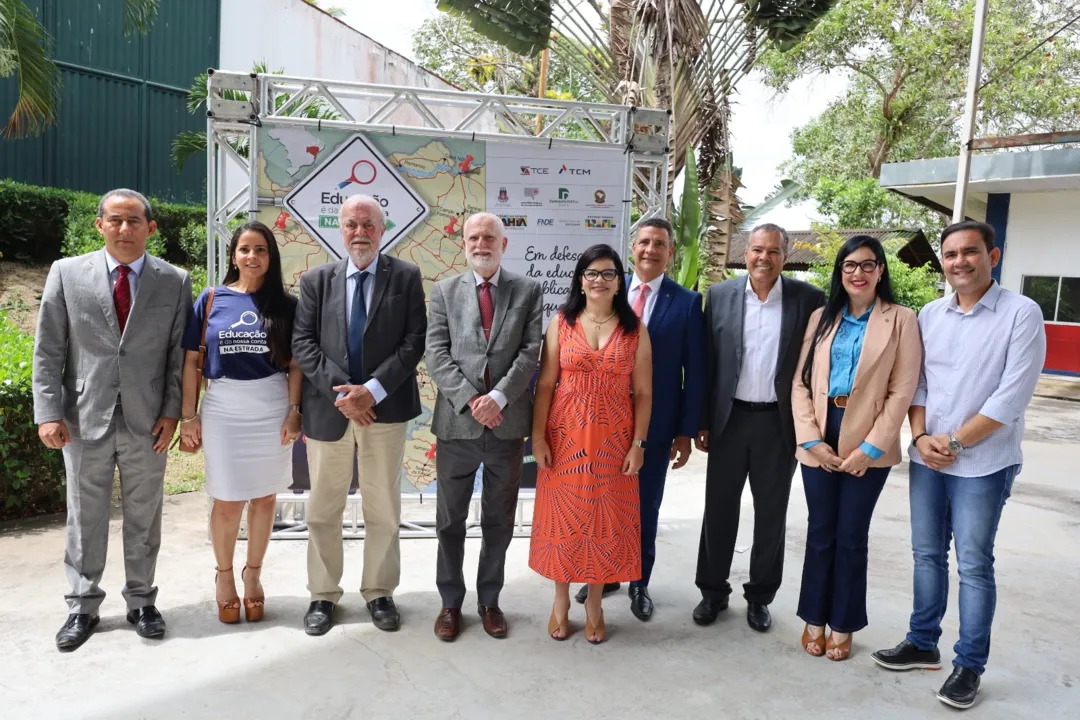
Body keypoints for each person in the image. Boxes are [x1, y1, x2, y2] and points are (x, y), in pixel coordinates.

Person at [871, 221, 1046, 710]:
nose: (960, 262)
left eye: (970, 252)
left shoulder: (1022, 314)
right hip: (928, 457)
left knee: (973, 565)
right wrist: (922, 436)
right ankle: (923, 641)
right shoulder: (931, 313)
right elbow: (918, 382)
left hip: (985, 463)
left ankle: (968, 663)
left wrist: (953, 442)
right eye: (950, 254)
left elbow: (1010, 396)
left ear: (993, 254)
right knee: (926, 554)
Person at [33, 189, 192, 651]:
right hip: (83, 418)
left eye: (135, 221)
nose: (125, 229)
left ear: (151, 228)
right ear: (100, 224)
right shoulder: (67, 273)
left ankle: (142, 601)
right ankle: (83, 607)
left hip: (148, 421)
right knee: (85, 516)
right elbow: (48, 350)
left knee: (145, 515)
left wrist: (171, 412)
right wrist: (47, 413)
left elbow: (177, 355)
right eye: (116, 220)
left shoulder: (175, 280)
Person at [292, 194, 427, 636]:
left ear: (382, 230)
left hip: (384, 412)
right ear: (341, 229)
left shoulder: (405, 277)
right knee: (322, 509)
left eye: (368, 224)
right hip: (330, 412)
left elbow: (413, 341)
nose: (360, 232)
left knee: (383, 507)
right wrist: (346, 396)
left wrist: (370, 392)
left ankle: (379, 591)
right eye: (352, 224)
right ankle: (323, 595)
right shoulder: (316, 280)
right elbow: (304, 345)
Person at [791, 235, 922, 660]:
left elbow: (903, 390)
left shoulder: (902, 319)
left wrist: (871, 447)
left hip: (870, 438)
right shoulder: (821, 318)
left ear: (881, 270)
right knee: (820, 532)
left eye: (867, 265)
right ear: (840, 272)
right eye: (849, 265)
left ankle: (843, 622)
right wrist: (810, 438)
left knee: (851, 535)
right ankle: (814, 617)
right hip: (820, 433)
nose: (858, 273)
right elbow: (800, 383)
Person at [694, 223, 824, 632]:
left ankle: (760, 597)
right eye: (756, 250)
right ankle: (712, 592)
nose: (763, 258)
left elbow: (815, 368)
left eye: (772, 251)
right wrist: (701, 421)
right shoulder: (719, 296)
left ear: (785, 256)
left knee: (771, 515)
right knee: (718, 510)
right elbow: (706, 365)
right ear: (744, 253)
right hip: (729, 421)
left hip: (777, 425)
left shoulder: (809, 299)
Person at [572, 219, 704, 620]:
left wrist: (684, 432)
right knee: (599, 502)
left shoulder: (686, 302)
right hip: (600, 422)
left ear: (671, 252)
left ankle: (639, 582)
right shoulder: (607, 288)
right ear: (632, 248)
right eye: (644, 242)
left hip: (656, 424)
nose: (650, 249)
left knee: (644, 506)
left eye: (659, 244)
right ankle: (603, 575)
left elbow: (694, 371)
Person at [426, 212, 543, 641]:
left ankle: (489, 600)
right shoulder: (443, 292)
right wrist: (471, 400)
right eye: (473, 237)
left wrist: (498, 398)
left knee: (499, 520)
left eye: (489, 237)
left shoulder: (528, 290)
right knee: (449, 520)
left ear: (503, 244)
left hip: (506, 427)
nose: (481, 244)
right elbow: (436, 353)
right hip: (457, 426)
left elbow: (531, 351)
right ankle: (450, 603)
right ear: (464, 243)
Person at [177, 221, 302, 624]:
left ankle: (254, 577)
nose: (253, 257)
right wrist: (189, 416)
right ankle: (225, 578)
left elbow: (297, 365)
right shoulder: (211, 299)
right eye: (245, 249)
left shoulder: (287, 305)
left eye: (261, 249)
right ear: (233, 254)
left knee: (265, 498)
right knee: (228, 500)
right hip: (224, 408)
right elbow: (193, 362)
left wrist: (293, 410)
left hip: (272, 405)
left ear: (271, 256)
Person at [529, 244, 652, 644]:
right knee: (564, 521)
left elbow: (644, 393)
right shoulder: (561, 323)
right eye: (591, 273)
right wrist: (538, 435)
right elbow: (545, 383)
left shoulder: (635, 330)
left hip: (615, 441)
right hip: (565, 437)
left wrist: (639, 443)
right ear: (580, 280)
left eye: (608, 274)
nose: (599, 280)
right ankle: (561, 600)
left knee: (606, 522)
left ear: (620, 282)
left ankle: (595, 601)